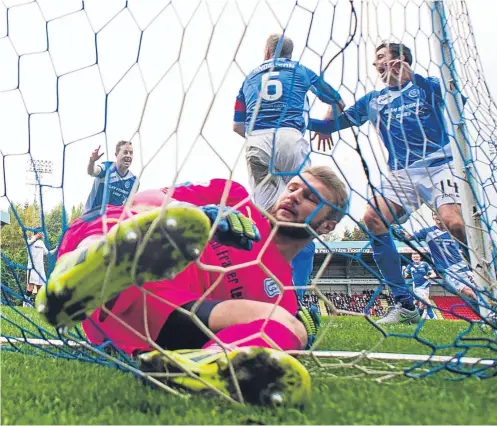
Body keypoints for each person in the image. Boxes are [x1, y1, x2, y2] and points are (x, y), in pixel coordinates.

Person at [36, 165, 349, 407]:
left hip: (161, 323)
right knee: (149, 213)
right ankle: (81, 270)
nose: (294, 196)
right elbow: (145, 199)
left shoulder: (282, 295)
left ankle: (201, 366)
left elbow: (281, 328)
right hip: (113, 268)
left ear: (326, 226)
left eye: (310, 197)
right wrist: (202, 217)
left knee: (288, 325)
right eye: (293, 187)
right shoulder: (234, 197)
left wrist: (298, 339)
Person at [308, 41, 468, 324]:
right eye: (376, 59)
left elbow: (459, 102)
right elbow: (331, 125)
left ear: (401, 59)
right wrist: (313, 116)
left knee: (454, 223)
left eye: (381, 57)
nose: (376, 64)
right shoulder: (374, 100)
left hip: (439, 165)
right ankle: (404, 303)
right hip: (400, 174)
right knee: (373, 219)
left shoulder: (427, 86)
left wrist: (413, 77)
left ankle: (480, 273)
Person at [233, 34, 344, 312]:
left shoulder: (248, 77)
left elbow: (237, 126)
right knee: (302, 216)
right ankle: (297, 297)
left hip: (257, 141)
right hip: (291, 138)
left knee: (262, 219)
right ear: (289, 54)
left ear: (267, 50)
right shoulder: (301, 70)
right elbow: (337, 101)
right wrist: (325, 123)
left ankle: (255, 291)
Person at [394, 211, 480, 314]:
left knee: (478, 292)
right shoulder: (427, 232)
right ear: (433, 217)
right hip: (447, 270)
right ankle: (487, 314)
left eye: (440, 213)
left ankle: (486, 316)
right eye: (435, 214)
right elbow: (408, 237)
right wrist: (397, 230)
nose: (437, 216)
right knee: (468, 291)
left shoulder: (454, 231)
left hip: (463, 267)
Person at [83, 141, 137, 215]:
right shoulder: (107, 167)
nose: (128, 155)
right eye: (125, 152)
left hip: (111, 221)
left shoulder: (133, 181)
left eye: (131, 153)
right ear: (116, 154)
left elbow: (128, 206)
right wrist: (92, 161)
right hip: (91, 217)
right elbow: (91, 172)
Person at [25, 232, 57, 306]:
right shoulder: (30, 239)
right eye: (42, 233)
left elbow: (47, 253)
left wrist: (56, 248)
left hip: (40, 269)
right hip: (32, 268)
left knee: (41, 288)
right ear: (38, 233)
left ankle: (39, 305)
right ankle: (26, 304)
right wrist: (36, 236)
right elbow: (28, 243)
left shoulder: (41, 243)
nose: (43, 235)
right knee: (30, 287)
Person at [404, 252, 437, 319]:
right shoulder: (410, 265)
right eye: (414, 257)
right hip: (417, 287)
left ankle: (417, 316)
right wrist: (403, 271)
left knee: (422, 305)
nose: (415, 258)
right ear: (412, 258)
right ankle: (433, 317)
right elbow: (405, 276)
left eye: (417, 257)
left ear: (420, 257)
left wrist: (428, 276)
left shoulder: (425, 264)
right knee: (426, 300)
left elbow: (434, 274)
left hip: (426, 286)